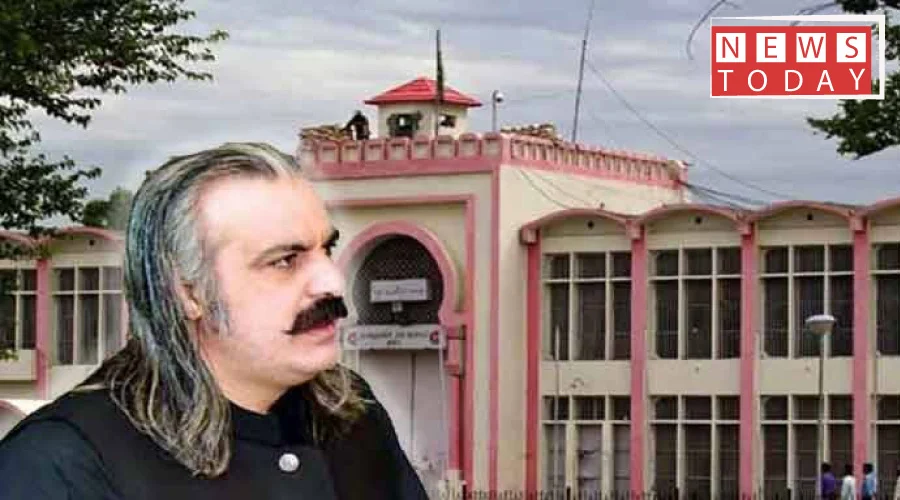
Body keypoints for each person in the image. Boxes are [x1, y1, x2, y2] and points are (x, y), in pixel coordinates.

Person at [0, 142, 428, 499]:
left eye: (326, 250)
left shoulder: (352, 412)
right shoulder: (61, 463)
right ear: (189, 292)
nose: (332, 282)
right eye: (285, 260)